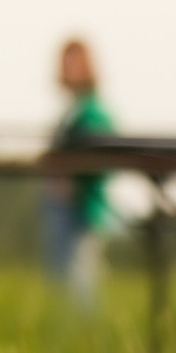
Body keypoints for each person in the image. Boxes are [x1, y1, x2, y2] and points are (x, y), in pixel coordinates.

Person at [46, 37, 116, 306]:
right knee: (63, 283)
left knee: (79, 284)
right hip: (64, 208)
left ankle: (84, 337)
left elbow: (101, 159)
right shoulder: (74, 110)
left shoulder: (92, 111)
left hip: (82, 209)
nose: (65, 68)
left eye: (71, 62)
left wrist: (72, 181)